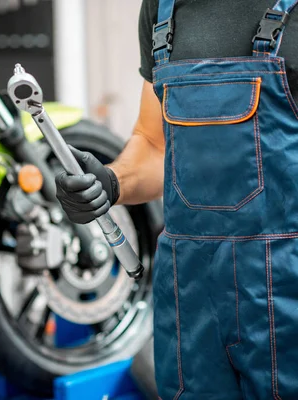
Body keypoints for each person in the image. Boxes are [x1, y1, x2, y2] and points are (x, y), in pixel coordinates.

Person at [54, 0, 298, 399]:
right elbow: (154, 145)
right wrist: (111, 182)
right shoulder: (162, 9)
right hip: (189, 302)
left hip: (286, 291)